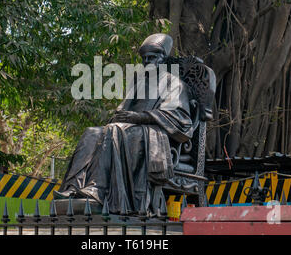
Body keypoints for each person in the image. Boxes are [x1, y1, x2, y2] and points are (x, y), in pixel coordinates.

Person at [55, 33, 195, 214]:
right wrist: (120, 116)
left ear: (163, 58)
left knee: (114, 130)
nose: (147, 62)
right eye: (144, 59)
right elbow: (124, 109)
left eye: (152, 57)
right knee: (92, 132)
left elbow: (181, 120)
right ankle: (73, 188)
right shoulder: (139, 82)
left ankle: (97, 191)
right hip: (128, 128)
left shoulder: (174, 83)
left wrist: (141, 118)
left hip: (153, 134)